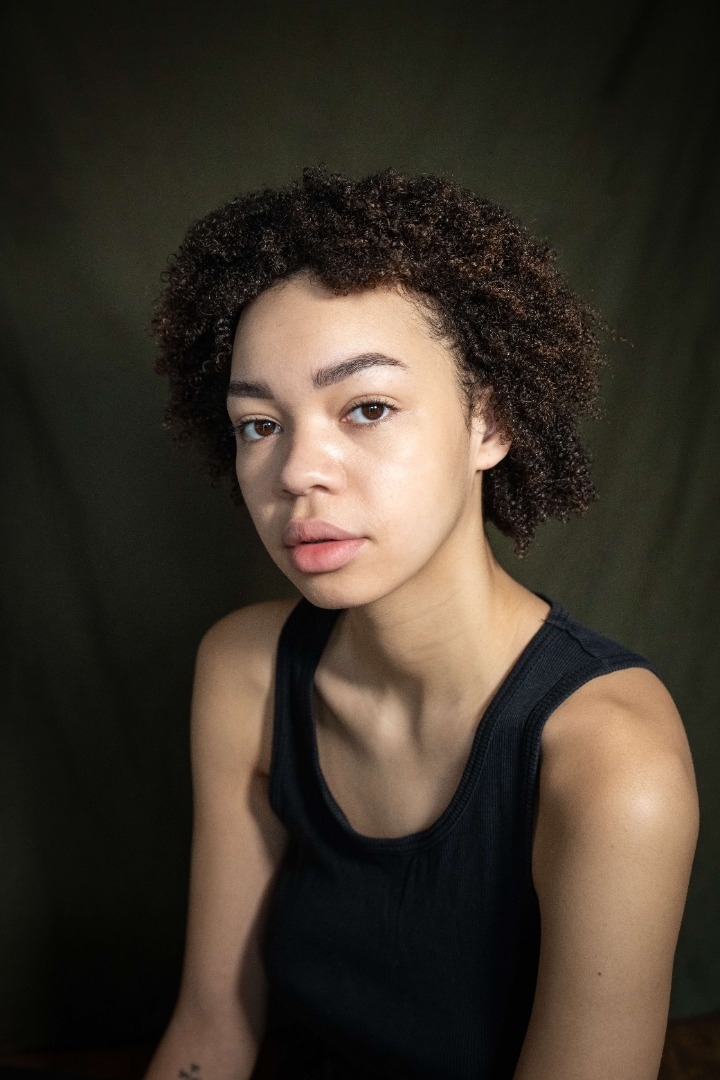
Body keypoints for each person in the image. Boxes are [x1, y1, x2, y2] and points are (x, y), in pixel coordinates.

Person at [145, 167, 698, 1080]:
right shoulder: (245, 670)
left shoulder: (614, 762)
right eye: (259, 424)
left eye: (367, 409)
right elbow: (211, 1033)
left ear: (490, 423)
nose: (297, 472)